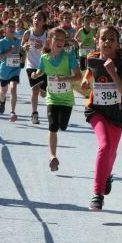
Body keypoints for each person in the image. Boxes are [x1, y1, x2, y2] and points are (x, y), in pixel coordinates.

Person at [81, 26, 122, 211]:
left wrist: (111, 71)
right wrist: (86, 79)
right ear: (98, 41)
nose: (107, 42)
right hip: (96, 110)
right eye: (104, 38)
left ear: (118, 43)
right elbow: (90, 68)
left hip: (117, 113)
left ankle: (107, 174)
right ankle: (98, 194)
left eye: (112, 39)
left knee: (112, 152)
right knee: (105, 146)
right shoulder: (92, 57)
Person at [30, 27, 81, 172]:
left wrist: (66, 78)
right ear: (49, 40)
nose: (60, 41)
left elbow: (78, 76)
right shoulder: (44, 58)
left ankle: (54, 148)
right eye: (56, 38)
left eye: (62, 39)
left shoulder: (68, 57)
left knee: (62, 126)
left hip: (66, 100)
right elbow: (41, 71)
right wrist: (35, 75)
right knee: (52, 126)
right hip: (52, 97)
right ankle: (53, 156)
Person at [22, 11, 48, 125]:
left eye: (40, 19)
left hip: (45, 66)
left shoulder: (47, 34)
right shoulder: (28, 33)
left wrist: (42, 47)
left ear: (44, 22)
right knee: (35, 90)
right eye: (35, 18)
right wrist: (25, 47)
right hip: (31, 65)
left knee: (43, 93)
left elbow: (52, 48)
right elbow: (22, 44)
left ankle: (44, 89)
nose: (37, 21)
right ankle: (34, 113)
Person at [0, 20, 23, 121]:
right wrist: (10, 51)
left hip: (15, 69)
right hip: (4, 71)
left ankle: (12, 111)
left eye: (13, 26)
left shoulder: (18, 41)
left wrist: (23, 55)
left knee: (13, 88)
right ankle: (2, 101)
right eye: (10, 26)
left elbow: (21, 53)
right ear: (5, 29)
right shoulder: (1, 42)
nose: (12, 28)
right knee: (3, 91)